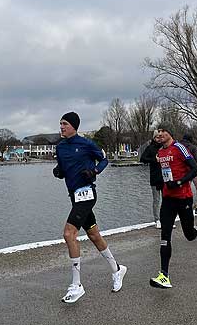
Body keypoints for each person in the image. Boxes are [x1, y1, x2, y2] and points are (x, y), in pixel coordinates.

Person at [53, 112, 127, 303]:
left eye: (65, 124)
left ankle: (77, 285)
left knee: (69, 234)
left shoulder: (86, 144)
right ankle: (117, 270)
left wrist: (94, 170)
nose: (61, 127)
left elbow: (104, 160)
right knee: (94, 235)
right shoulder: (60, 147)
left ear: (74, 127)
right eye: (60, 124)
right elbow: (61, 168)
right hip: (74, 196)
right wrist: (59, 171)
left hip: (86, 194)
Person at [150, 124, 197, 289]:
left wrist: (179, 182)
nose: (160, 134)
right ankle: (164, 276)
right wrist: (163, 182)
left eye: (162, 132)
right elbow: (154, 164)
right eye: (158, 132)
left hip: (183, 198)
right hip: (168, 199)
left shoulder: (179, 147)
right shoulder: (160, 152)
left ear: (169, 133)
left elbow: (195, 169)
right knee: (165, 236)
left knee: (189, 234)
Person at [140, 131, 164, 228]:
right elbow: (142, 158)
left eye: (160, 137)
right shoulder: (150, 148)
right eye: (157, 137)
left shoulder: (164, 147)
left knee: (166, 200)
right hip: (155, 177)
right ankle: (157, 219)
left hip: (165, 177)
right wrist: (154, 160)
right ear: (154, 138)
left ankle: (165, 218)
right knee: (157, 200)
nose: (159, 139)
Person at [181, 134, 197, 215]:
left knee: (184, 189)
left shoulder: (178, 147)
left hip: (184, 172)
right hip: (194, 171)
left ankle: (184, 207)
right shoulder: (193, 147)